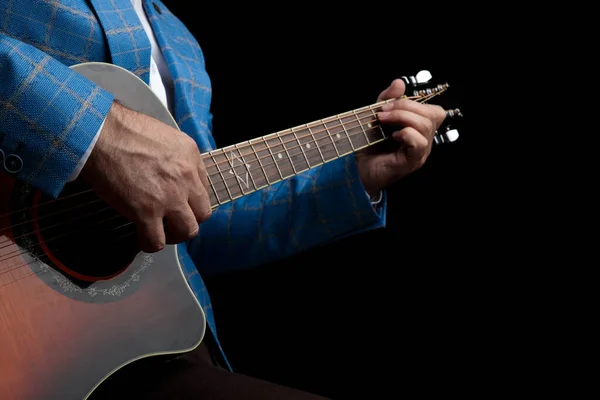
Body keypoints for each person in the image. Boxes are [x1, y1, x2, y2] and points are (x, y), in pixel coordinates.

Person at [0, 0, 447, 398]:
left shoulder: (179, 41)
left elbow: (199, 224)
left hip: (145, 344)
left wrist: (358, 176)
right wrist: (97, 132)